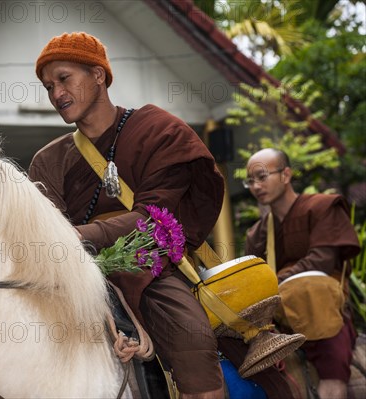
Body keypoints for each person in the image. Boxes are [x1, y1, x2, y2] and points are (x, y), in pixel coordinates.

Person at [27, 31, 227, 399]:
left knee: (192, 336)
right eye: (48, 86)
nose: (56, 94)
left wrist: (82, 235)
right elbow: (44, 235)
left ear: (98, 75)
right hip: (76, 280)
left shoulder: (158, 131)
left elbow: (156, 218)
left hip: (150, 269)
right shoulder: (48, 161)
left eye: (64, 79)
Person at [244, 148, 361, 399]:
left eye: (262, 176)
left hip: (323, 309)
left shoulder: (322, 207)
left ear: (286, 175)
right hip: (280, 318)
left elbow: (322, 259)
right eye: (250, 180)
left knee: (332, 369)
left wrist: (278, 281)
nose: (256, 185)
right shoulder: (257, 234)